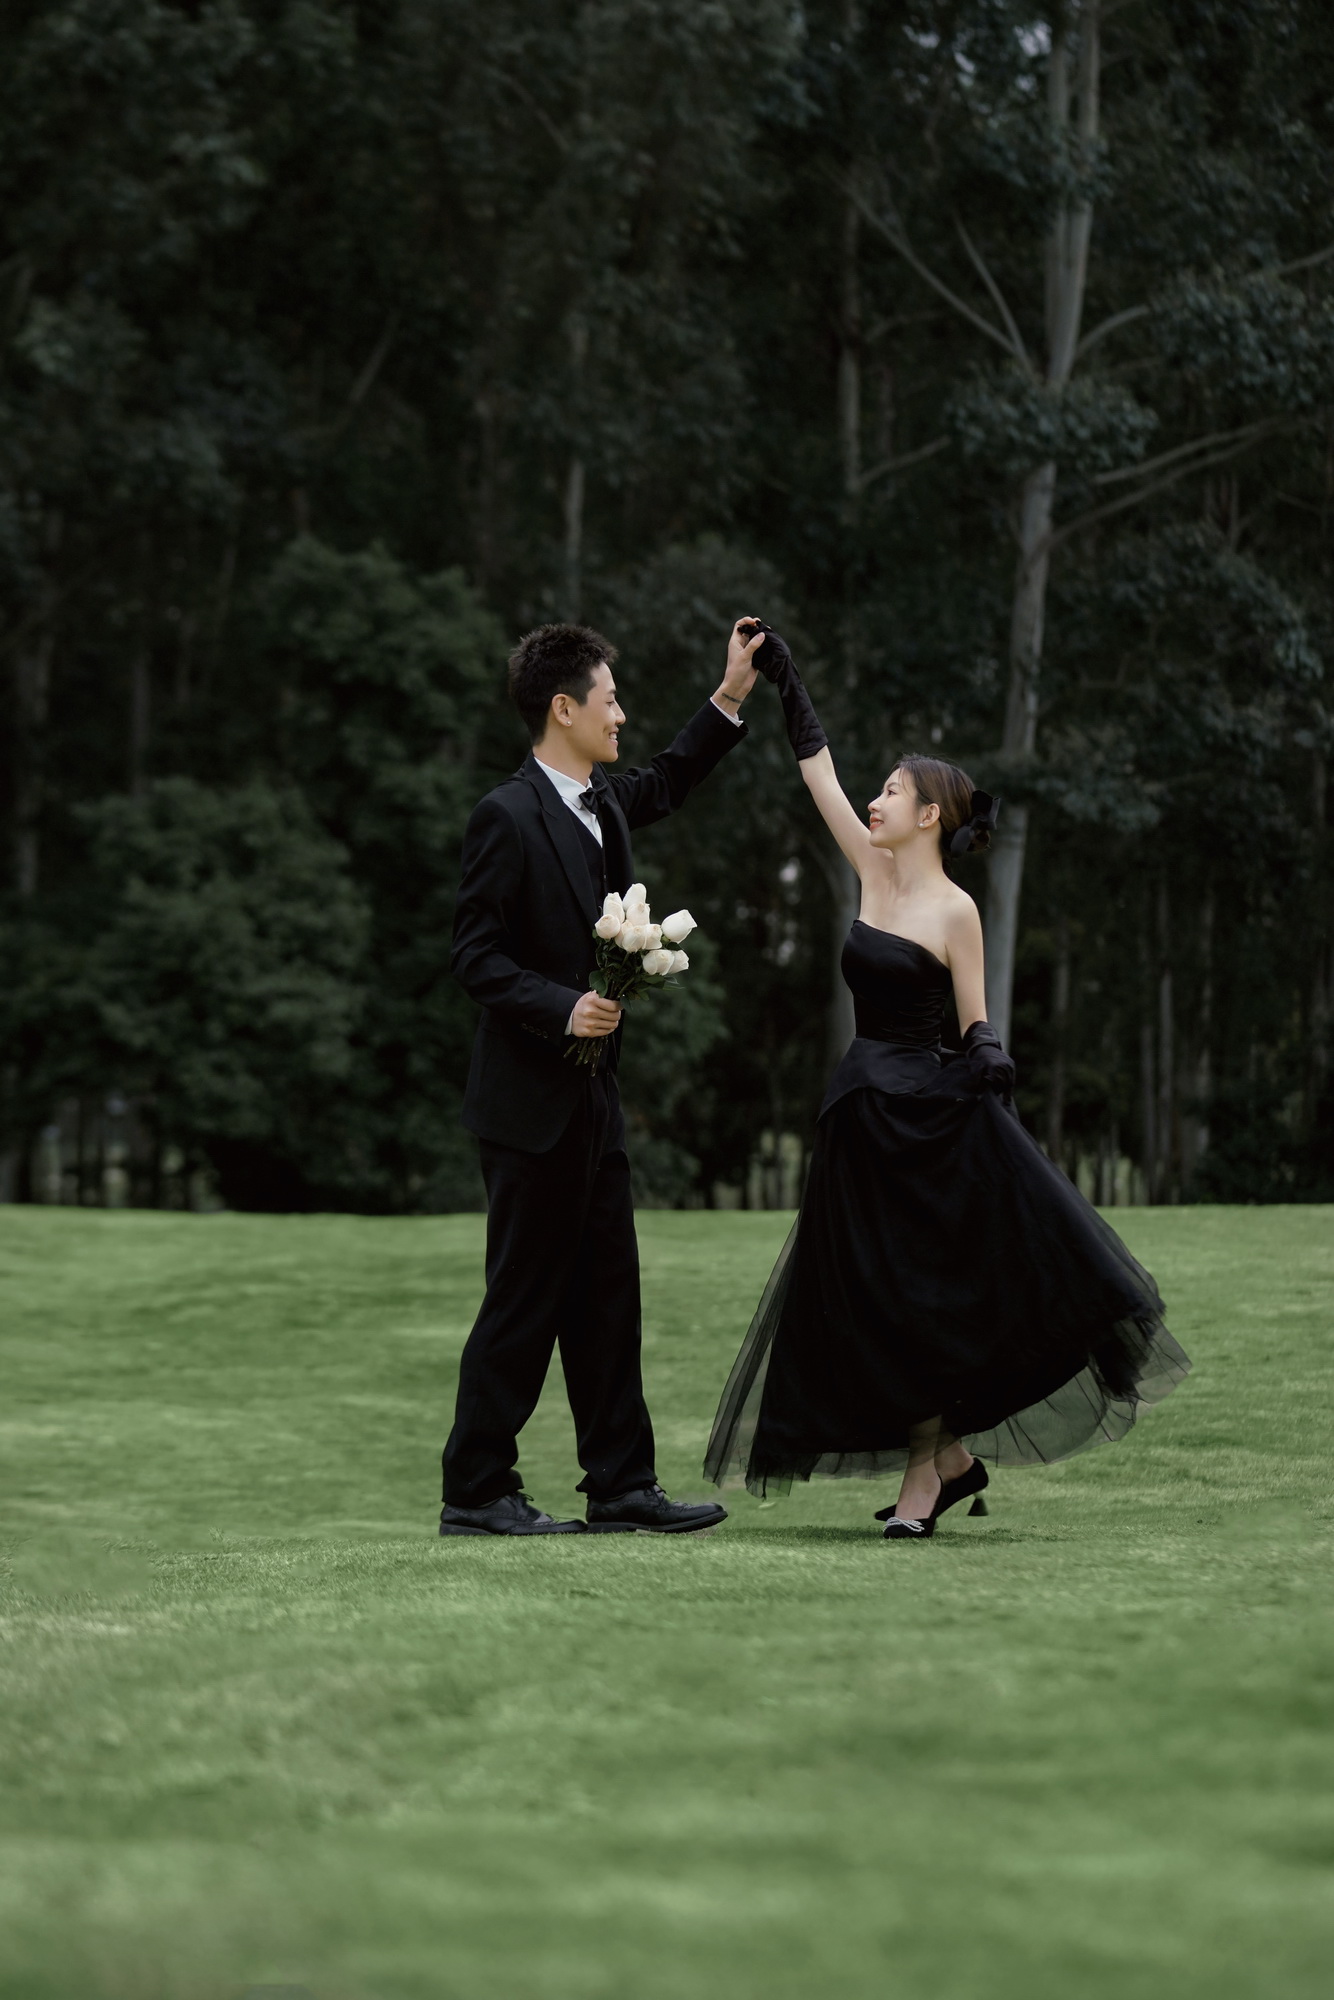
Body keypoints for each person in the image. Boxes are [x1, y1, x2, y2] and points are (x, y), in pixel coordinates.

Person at [705, 629, 1190, 1538]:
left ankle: (925, 1484)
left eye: (892, 791)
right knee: (875, 1304)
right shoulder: (869, 869)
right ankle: (954, 1464)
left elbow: (976, 1022)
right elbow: (817, 772)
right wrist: (784, 679)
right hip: (860, 1120)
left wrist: (991, 1060)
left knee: (926, 1304)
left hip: (926, 1123)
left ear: (930, 814)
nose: (875, 800)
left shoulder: (957, 910)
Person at [441, 616, 766, 1536]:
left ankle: (622, 1486)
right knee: (524, 1301)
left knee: (608, 1296)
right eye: (611, 700)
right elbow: (474, 956)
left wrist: (731, 692)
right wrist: (561, 1006)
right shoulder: (505, 816)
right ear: (564, 708)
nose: (621, 715)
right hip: (526, 1106)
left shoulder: (605, 802)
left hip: (593, 1100)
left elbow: (669, 776)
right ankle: (476, 1492)